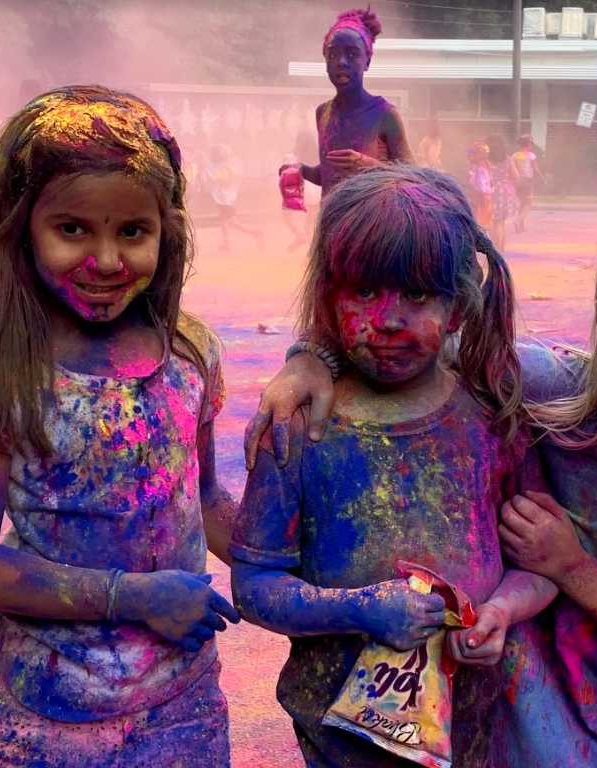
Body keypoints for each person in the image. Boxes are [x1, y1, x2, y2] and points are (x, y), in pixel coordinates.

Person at [244, 194, 597, 768]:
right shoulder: (551, 392)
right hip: (483, 720)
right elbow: (410, 331)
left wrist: (573, 568)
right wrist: (311, 357)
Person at [0, 86, 242, 768]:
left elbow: (203, 499)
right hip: (50, 715)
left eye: (132, 231)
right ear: (21, 229)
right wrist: (132, 598)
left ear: (167, 232)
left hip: (184, 703)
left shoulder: (191, 354)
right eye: (72, 229)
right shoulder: (1, 374)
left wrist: (296, 566)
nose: (105, 260)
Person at [230, 165, 557, 768]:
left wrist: (501, 612)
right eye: (364, 293)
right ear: (329, 296)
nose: (388, 318)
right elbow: (254, 586)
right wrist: (359, 609)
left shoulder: (493, 418)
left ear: (457, 306)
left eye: (418, 295)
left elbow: (539, 565)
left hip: (471, 727)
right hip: (339, 740)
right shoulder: (300, 427)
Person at [294, 7, 413, 197]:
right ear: (326, 62)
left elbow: (412, 179)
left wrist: (367, 164)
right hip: (332, 215)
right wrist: (302, 170)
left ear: (367, 62)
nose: (341, 62)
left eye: (352, 54)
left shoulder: (384, 114)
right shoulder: (323, 113)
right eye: (333, 54)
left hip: (373, 215)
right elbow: (331, 174)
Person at [205, 143, 265, 251]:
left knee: (231, 222)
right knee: (223, 220)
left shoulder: (216, 168)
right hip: (225, 198)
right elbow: (239, 174)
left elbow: (214, 179)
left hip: (223, 199)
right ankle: (227, 243)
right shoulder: (225, 167)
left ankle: (255, 233)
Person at [486, 134, 518, 252]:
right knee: (501, 223)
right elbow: (515, 176)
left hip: (493, 191)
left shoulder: (486, 160)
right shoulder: (507, 159)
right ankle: (501, 251)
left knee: (496, 224)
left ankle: (497, 253)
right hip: (506, 191)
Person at [510, 134, 547, 233]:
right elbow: (535, 169)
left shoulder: (514, 155)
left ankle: (521, 226)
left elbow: (512, 169)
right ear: (529, 144)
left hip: (517, 181)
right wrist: (543, 179)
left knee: (522, 204)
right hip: (527, 181)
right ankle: (518, 221)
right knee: (528, 204)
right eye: (531, 144)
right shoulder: (531, 155)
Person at [465, 140, 494, 232]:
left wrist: (474, 189)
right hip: (484, 201)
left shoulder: (480, 170)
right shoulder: (482, 169)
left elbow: (482, 188)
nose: (468, 156)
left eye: (471, 154)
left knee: (479, 227)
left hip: (481, 201)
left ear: (478, 156)